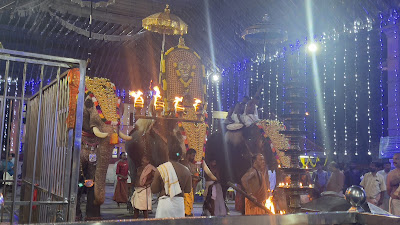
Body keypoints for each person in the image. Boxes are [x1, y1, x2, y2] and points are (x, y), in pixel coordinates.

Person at [151, 138, 192, 218]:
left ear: (168, 154)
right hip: (179, 206)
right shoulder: (186, 171)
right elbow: (188, 190)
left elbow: (154, 190)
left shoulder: (161, 169)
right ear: (180, 156)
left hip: (165, 205)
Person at [180, 148, 200, 216]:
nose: (193, 157)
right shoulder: (183, 163)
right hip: (184, 187)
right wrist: (195, 177)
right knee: (186, 202)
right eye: (193, 155)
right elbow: (186, 174)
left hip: (191, 186)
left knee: (190, 201)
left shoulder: (191, 164)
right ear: (188, 155)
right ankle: (187, 214)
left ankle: (188, 213)